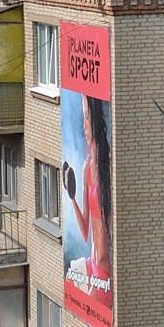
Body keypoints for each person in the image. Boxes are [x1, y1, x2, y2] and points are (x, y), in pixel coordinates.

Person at [62, 93, 113, 291]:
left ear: (97, 120)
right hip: (93, 263)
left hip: (105, 269)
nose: (84, 125)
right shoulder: (86, 167)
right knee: (69, 284)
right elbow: (85, 232)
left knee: (77, 291)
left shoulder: (106, 165)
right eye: (83, 119)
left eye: (88, 117)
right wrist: (72, 196)